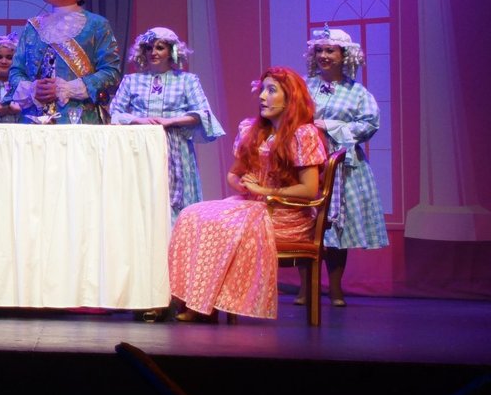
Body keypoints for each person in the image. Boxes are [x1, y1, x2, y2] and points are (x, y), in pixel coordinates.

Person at [167, 67, 327, 321]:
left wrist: (264, 190)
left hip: (286, 216)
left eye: (272, 90)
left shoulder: (303, 134)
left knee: (222, 225)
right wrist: (242, 184)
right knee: (192, 214)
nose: (262, 96)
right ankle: (196, 300)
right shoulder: (253, 130)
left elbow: (309, 190)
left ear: (290, 97)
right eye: (262, 90)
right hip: (253, 205)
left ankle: (204, 306)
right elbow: (234, 174)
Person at [301, 27, 387, 308]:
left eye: (330, 51)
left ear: (344, 55)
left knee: (335, 228)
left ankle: (335, 289)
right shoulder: (303, 87)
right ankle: (306, 288)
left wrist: (331, 126)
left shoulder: (357, 93)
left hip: (341, 165)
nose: (324, 56)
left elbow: (369, 125)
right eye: (320, 50)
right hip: (305, 163)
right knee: (304, 225)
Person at [109, 27, 225, 220]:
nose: (153, 53)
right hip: (140, 144)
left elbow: (202, 113)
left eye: (160, 48)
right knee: (142, 197)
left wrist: (170, 121)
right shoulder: (132, 81)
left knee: (174, 198)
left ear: (171, 51)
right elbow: (115, 112)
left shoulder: (187, 80)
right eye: (149, 48)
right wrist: (138, 120)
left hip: (175, 145)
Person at [7, 0, 121, 123]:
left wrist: (68, 89)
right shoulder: (32, 27)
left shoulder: (97, 25)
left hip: (80, 121)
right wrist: (33, 89)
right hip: (34, 120)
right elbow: (16, 72)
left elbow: (111, 73)